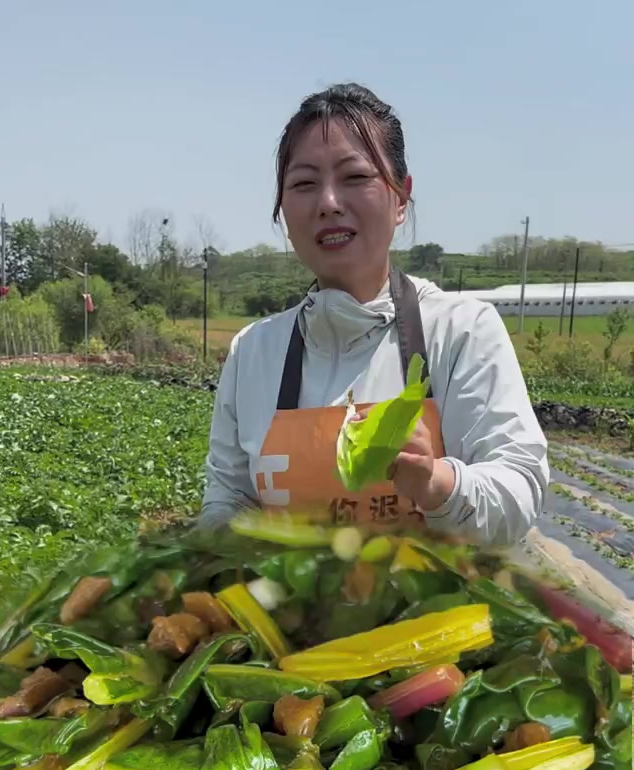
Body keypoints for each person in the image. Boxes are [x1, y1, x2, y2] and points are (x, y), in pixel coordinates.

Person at [200, 82, 548, 545]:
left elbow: (519, 492)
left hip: (436, 615)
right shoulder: (254, 351)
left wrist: (438, 484)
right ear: (283, 208)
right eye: (304, 184)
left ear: (401, 197)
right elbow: (229, 495)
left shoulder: (461, 330)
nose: (328, 203)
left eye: (355, 177)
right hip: (297, 615)